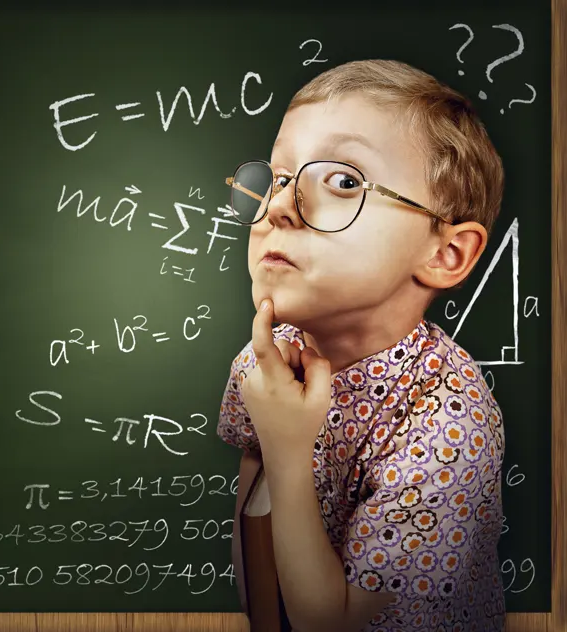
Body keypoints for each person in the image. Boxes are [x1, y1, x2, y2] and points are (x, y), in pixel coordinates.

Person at [216, 59, 507, 632]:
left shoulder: (451, 424)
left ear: (446, 254)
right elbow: (257, 570)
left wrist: (287, 448)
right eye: (277, 179)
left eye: (344, 181)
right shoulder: (264, 360)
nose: (276, 206)